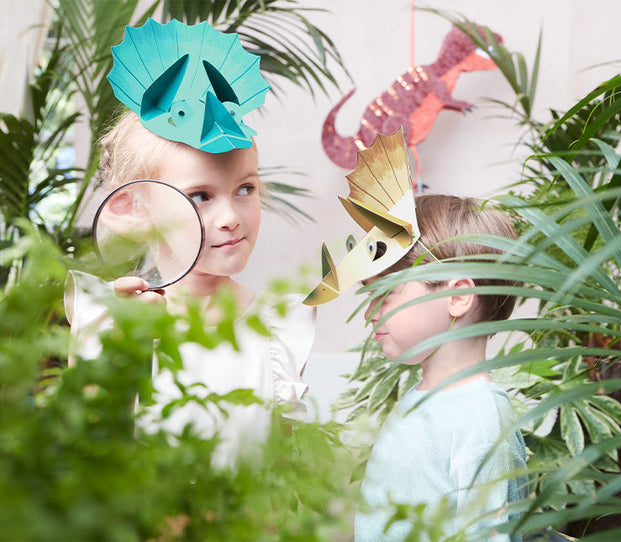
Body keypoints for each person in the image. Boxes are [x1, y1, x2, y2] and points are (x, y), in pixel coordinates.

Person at [65, 19, 314, 467]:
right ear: (131, 207)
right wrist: (121, 357)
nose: (230, 219)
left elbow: (284, 482)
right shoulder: (109, 319)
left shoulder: (279, 330)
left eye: (246, 189)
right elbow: (87, 459)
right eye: (200, 196)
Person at [352, 194, 528, 542]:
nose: (370, 313)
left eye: (385, 293)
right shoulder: (422, 399)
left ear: (457, 297)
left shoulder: (480, 420)